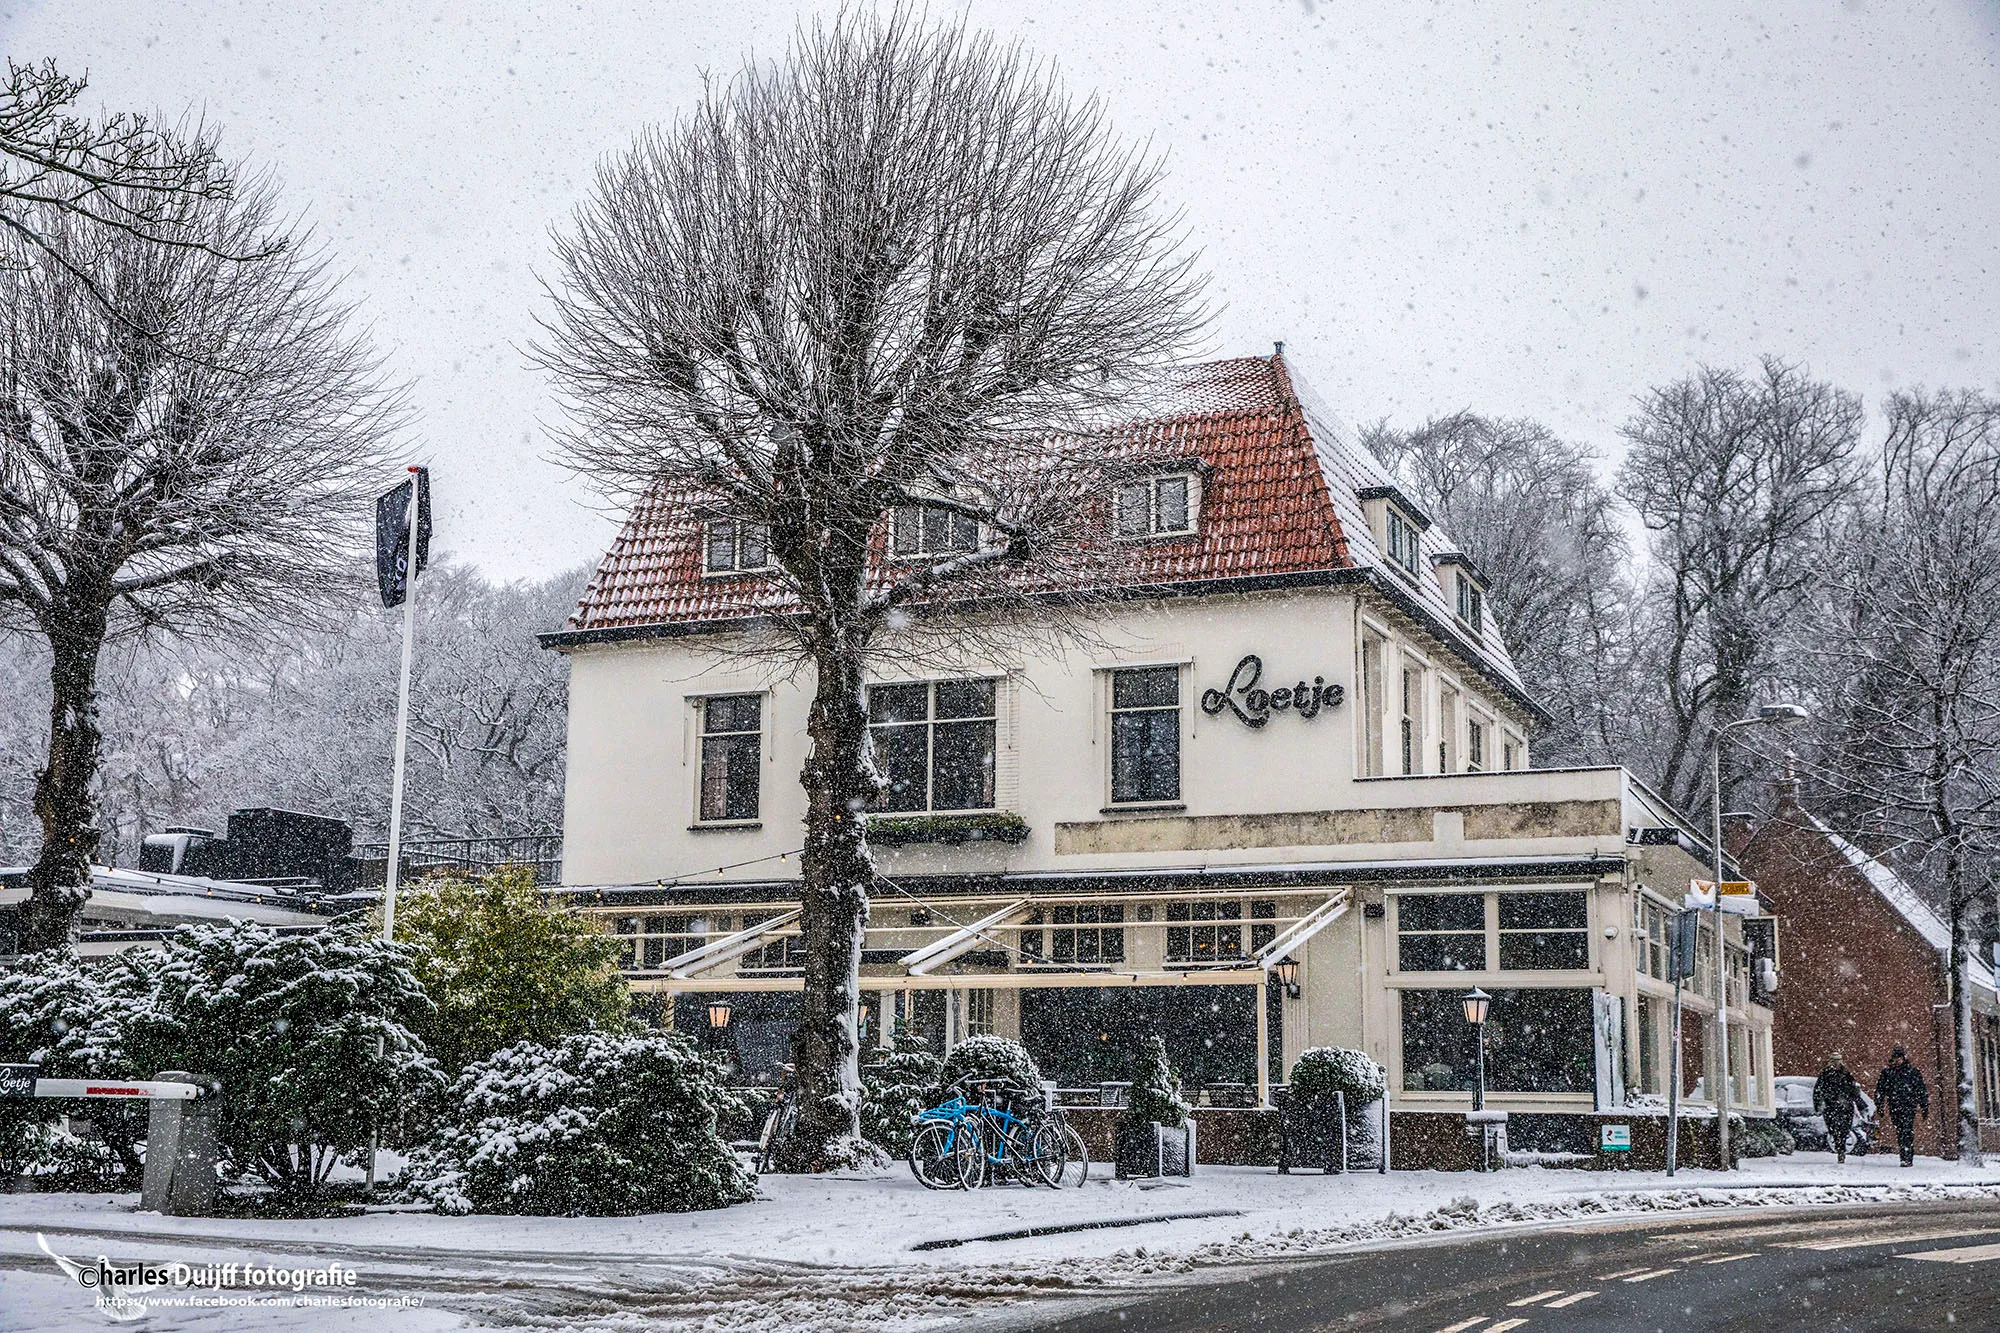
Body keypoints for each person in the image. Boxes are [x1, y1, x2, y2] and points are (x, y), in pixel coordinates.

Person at [1876, 1046, 1929, 1167]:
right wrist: (1880, 1105)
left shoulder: (1912, 1072)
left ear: (1903, 1058)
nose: (1898, 1060)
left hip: (1909, 1106)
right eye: (1896, 1058)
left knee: (1907, 1130)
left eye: (1899, 1058)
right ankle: (1904, 1155)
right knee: (1900, 1131)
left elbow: (1921, 1090)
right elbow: (1880, 1090)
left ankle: (1907, 1156)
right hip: (1895, 1106)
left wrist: (1924, 1106)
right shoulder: (1888, 1073)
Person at [1813, 1053, 1863, 1163]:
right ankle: (1839, 1148)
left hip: (1845, 1107)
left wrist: (1858, 1103)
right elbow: (1818, 1090)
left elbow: (1853, 1090)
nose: (1836, 1064)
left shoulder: (1846, 1074)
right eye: (1834, 1062)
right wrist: (1819, 1104)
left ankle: (1841, 1152)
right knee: (1834, 1130)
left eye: (1838, 1061)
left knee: (1843, 1130)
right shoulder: (1825, 1074)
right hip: (1832, 1107)